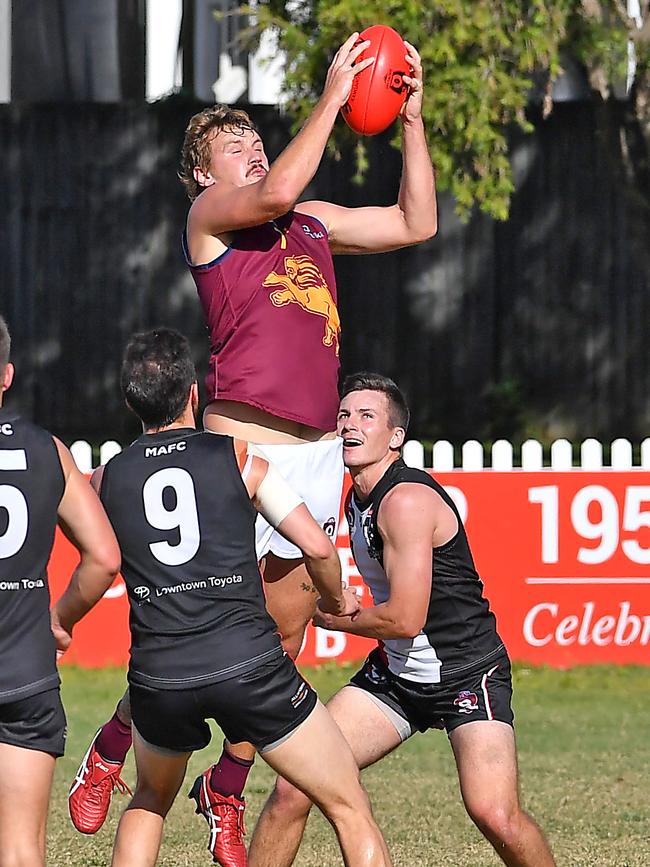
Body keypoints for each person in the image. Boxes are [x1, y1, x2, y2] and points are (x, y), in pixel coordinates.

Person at [70, 30, 438, 866]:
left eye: (255, 139)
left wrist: (411, 121)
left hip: (312, 452)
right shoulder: (213, 219)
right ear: (204, 173)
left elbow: (418, 222)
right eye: (234, 145)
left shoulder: (307, 222)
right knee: (202, 626)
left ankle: (225, 787)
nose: (253, 149)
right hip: (241, 440)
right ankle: (116, 738)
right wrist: (335, 99)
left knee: (281, 642)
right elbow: (272, 191)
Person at [84, 328, 391, 867]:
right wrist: (336, 596)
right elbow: (317, 546)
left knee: (150, 800)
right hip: (248, 665)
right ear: (195, 395)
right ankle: (221, 788)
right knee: (349, 807)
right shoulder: (238, 457)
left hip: (160, 674)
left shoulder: (106, 478)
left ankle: (201, 781)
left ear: (130, 401)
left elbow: (87, 547)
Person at [247, 373, 557, 867]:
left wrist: (332, 619)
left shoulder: (406, 501)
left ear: (396, 437)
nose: (350, 426)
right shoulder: (355, 499)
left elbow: (406, 620)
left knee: (495, 813)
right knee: (295, 787)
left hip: (466, 672)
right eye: (344, 415)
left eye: (366, 417)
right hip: (397, 677)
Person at [0, 314, 121, 867]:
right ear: (6, 376)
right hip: (26, 677)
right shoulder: (47, 449)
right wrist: (60, 620)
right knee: (22, 850)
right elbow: (103, 557)